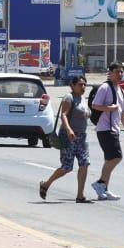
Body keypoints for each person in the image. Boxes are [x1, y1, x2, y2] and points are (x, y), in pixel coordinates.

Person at [39, 75, 92, 203]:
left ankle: (80, 195)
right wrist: (69, 130)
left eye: (84, 84)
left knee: (84, 163)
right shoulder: (69, 97)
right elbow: (64, 115)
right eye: (80, 84)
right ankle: (46, 184)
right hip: (69, 136)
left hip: (82, 136)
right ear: (72, 85)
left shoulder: (82, 98)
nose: (83, 87)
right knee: (67, 167)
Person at [89, 62, 124, 201]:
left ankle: (104, 190)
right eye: (117, 71)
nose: (120, 74)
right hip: (105, 129)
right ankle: (100, 183)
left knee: (109, 160)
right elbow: (95, 105)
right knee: (117, 157)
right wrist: (109, 108)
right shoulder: (105, 87)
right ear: (110, 72)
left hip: (114, 129)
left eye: (121, 72)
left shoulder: (121, 91)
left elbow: (123, 114)